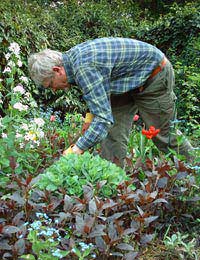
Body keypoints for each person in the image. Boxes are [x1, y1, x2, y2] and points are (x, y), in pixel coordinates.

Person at [28, 37, 194, 167]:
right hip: (125, 82)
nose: (54, 90)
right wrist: (89, 119)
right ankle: (114, 184)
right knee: (112, 133)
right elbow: (96, 94)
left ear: (57, 71)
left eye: (50, 85)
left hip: (154, 74)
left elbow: (103, 119)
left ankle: (193, 171)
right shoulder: (71, 62)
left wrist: (76, 149)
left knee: (162, 134)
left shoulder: (83, 67)